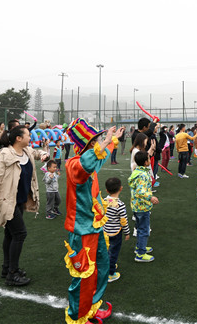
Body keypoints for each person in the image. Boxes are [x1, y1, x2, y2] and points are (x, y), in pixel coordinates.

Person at [63, 119, 122, 323]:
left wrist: (113, 140)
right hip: (82, 231)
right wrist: (106, 141)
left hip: (95, 227)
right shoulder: (74, 164)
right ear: (88, 144)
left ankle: (91, 309)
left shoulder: (91, 160)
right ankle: (77, 317)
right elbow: (87, 163)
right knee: (83, 276)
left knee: (101, 270)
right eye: (95, 139)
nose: (99, 141)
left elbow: (99, 158)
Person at [0, 125, 49, 286]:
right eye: (28, 135)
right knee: (19, 234)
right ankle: (12, 274)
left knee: (10, 234)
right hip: (6, 202)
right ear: (18, 138)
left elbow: (37, 153)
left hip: (19, 201)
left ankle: (7, 268)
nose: (30, 137)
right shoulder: (5, 154)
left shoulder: (26, 151)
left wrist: (44, 154)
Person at [129, 151, 159, 262]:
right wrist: (150, 197)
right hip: (142, 207)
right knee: (144, 230)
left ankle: (139, 247)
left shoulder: (137, 172)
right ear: (146, 162)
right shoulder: (143, 175)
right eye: (148, 158)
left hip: (137, 205)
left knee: (140, 227)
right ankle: (140, 254)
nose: (150, 160)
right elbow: (140, 191)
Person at [104, 177, 130, 281]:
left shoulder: (104, 201)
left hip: (105, 231)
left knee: (106, 250)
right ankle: (110, 273)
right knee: (113, 252)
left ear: (107, 190)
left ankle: (107, 265)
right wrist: (127, 232)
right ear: (121, 188)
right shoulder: (120, 205)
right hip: (115, 233)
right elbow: (123, 221)